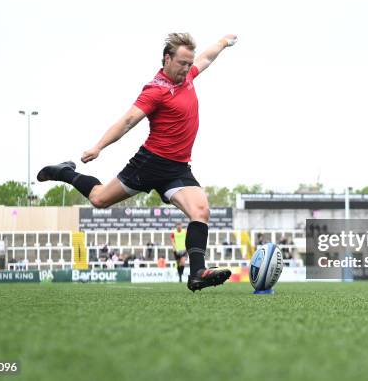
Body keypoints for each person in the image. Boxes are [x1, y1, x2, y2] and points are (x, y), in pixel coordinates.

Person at [37, 33, 237, 292]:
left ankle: (197, 272)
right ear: (167, 59)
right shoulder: (156, 90)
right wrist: (98, 147)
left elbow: (207, 58)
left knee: (201, 211)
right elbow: (128, 121)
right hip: (150, 163)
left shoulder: (186, 76)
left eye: (189, 64)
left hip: (177, 168)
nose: (187, 68)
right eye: (182, 63)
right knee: (99, 200)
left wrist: (222, 42)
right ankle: (65, 172)